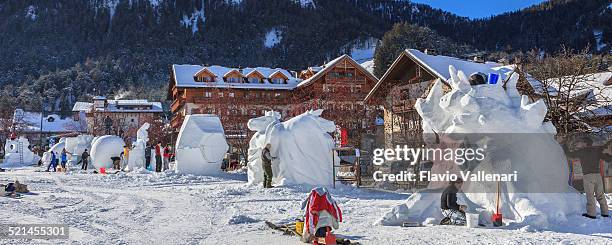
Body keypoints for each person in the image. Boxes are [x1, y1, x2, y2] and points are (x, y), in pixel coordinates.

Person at [562, 137, 612, 219]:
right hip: (597, 175)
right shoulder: (597, 151)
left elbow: (571, 155)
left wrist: (564, 146)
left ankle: (591, 214)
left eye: (582, 142)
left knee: (590, 196)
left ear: (585, 143)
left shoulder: (582, 151)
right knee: (600, 195)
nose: (581, 144)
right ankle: (605, 213)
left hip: (588, 176)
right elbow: (607, 159)